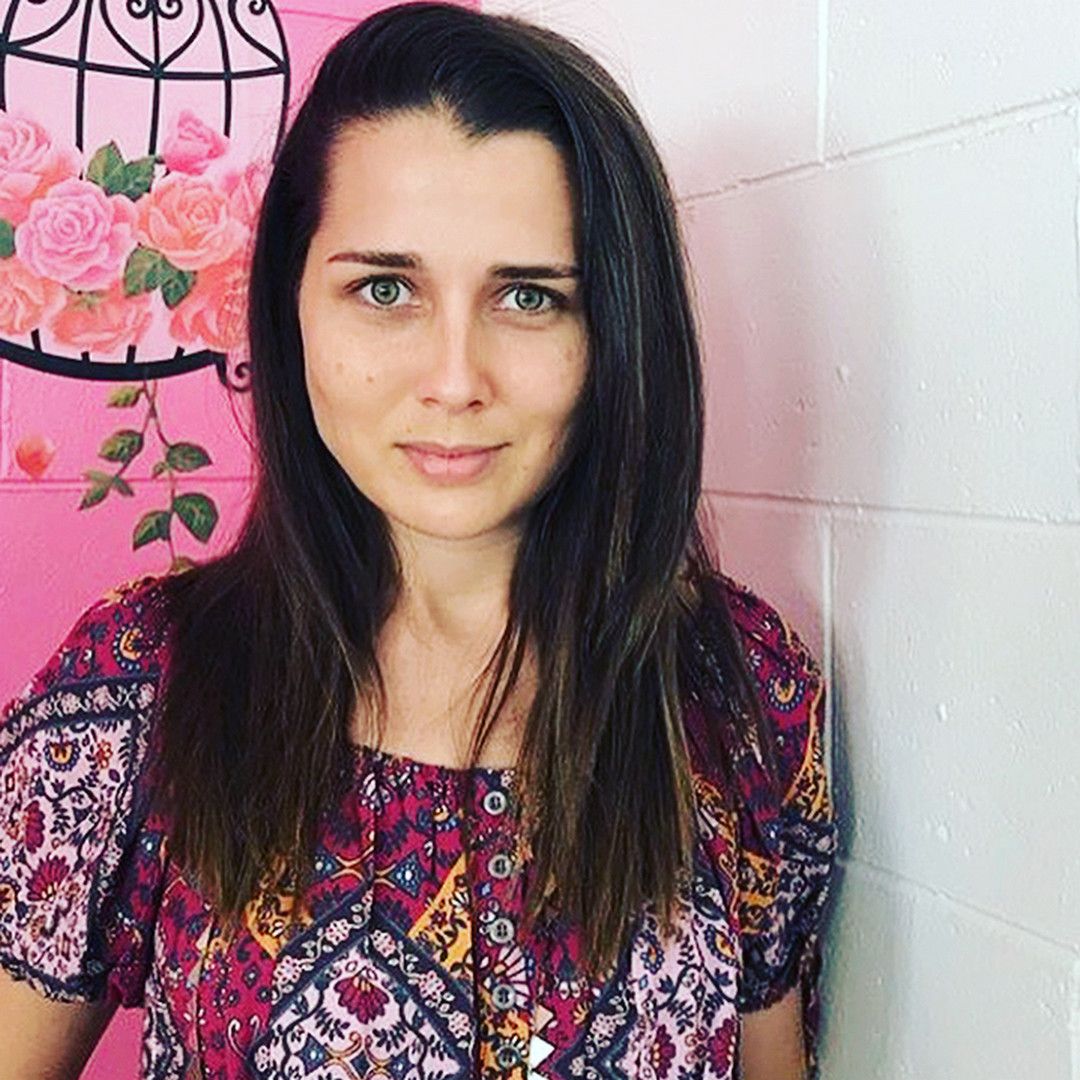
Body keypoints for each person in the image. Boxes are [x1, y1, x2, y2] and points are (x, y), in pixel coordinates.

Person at [0, 3, 838, 1077]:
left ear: (616, 333)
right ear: (293, 305)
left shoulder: (736, 690)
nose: (454, 379)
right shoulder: (143, 687)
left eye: (528, 296)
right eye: (385, 289)